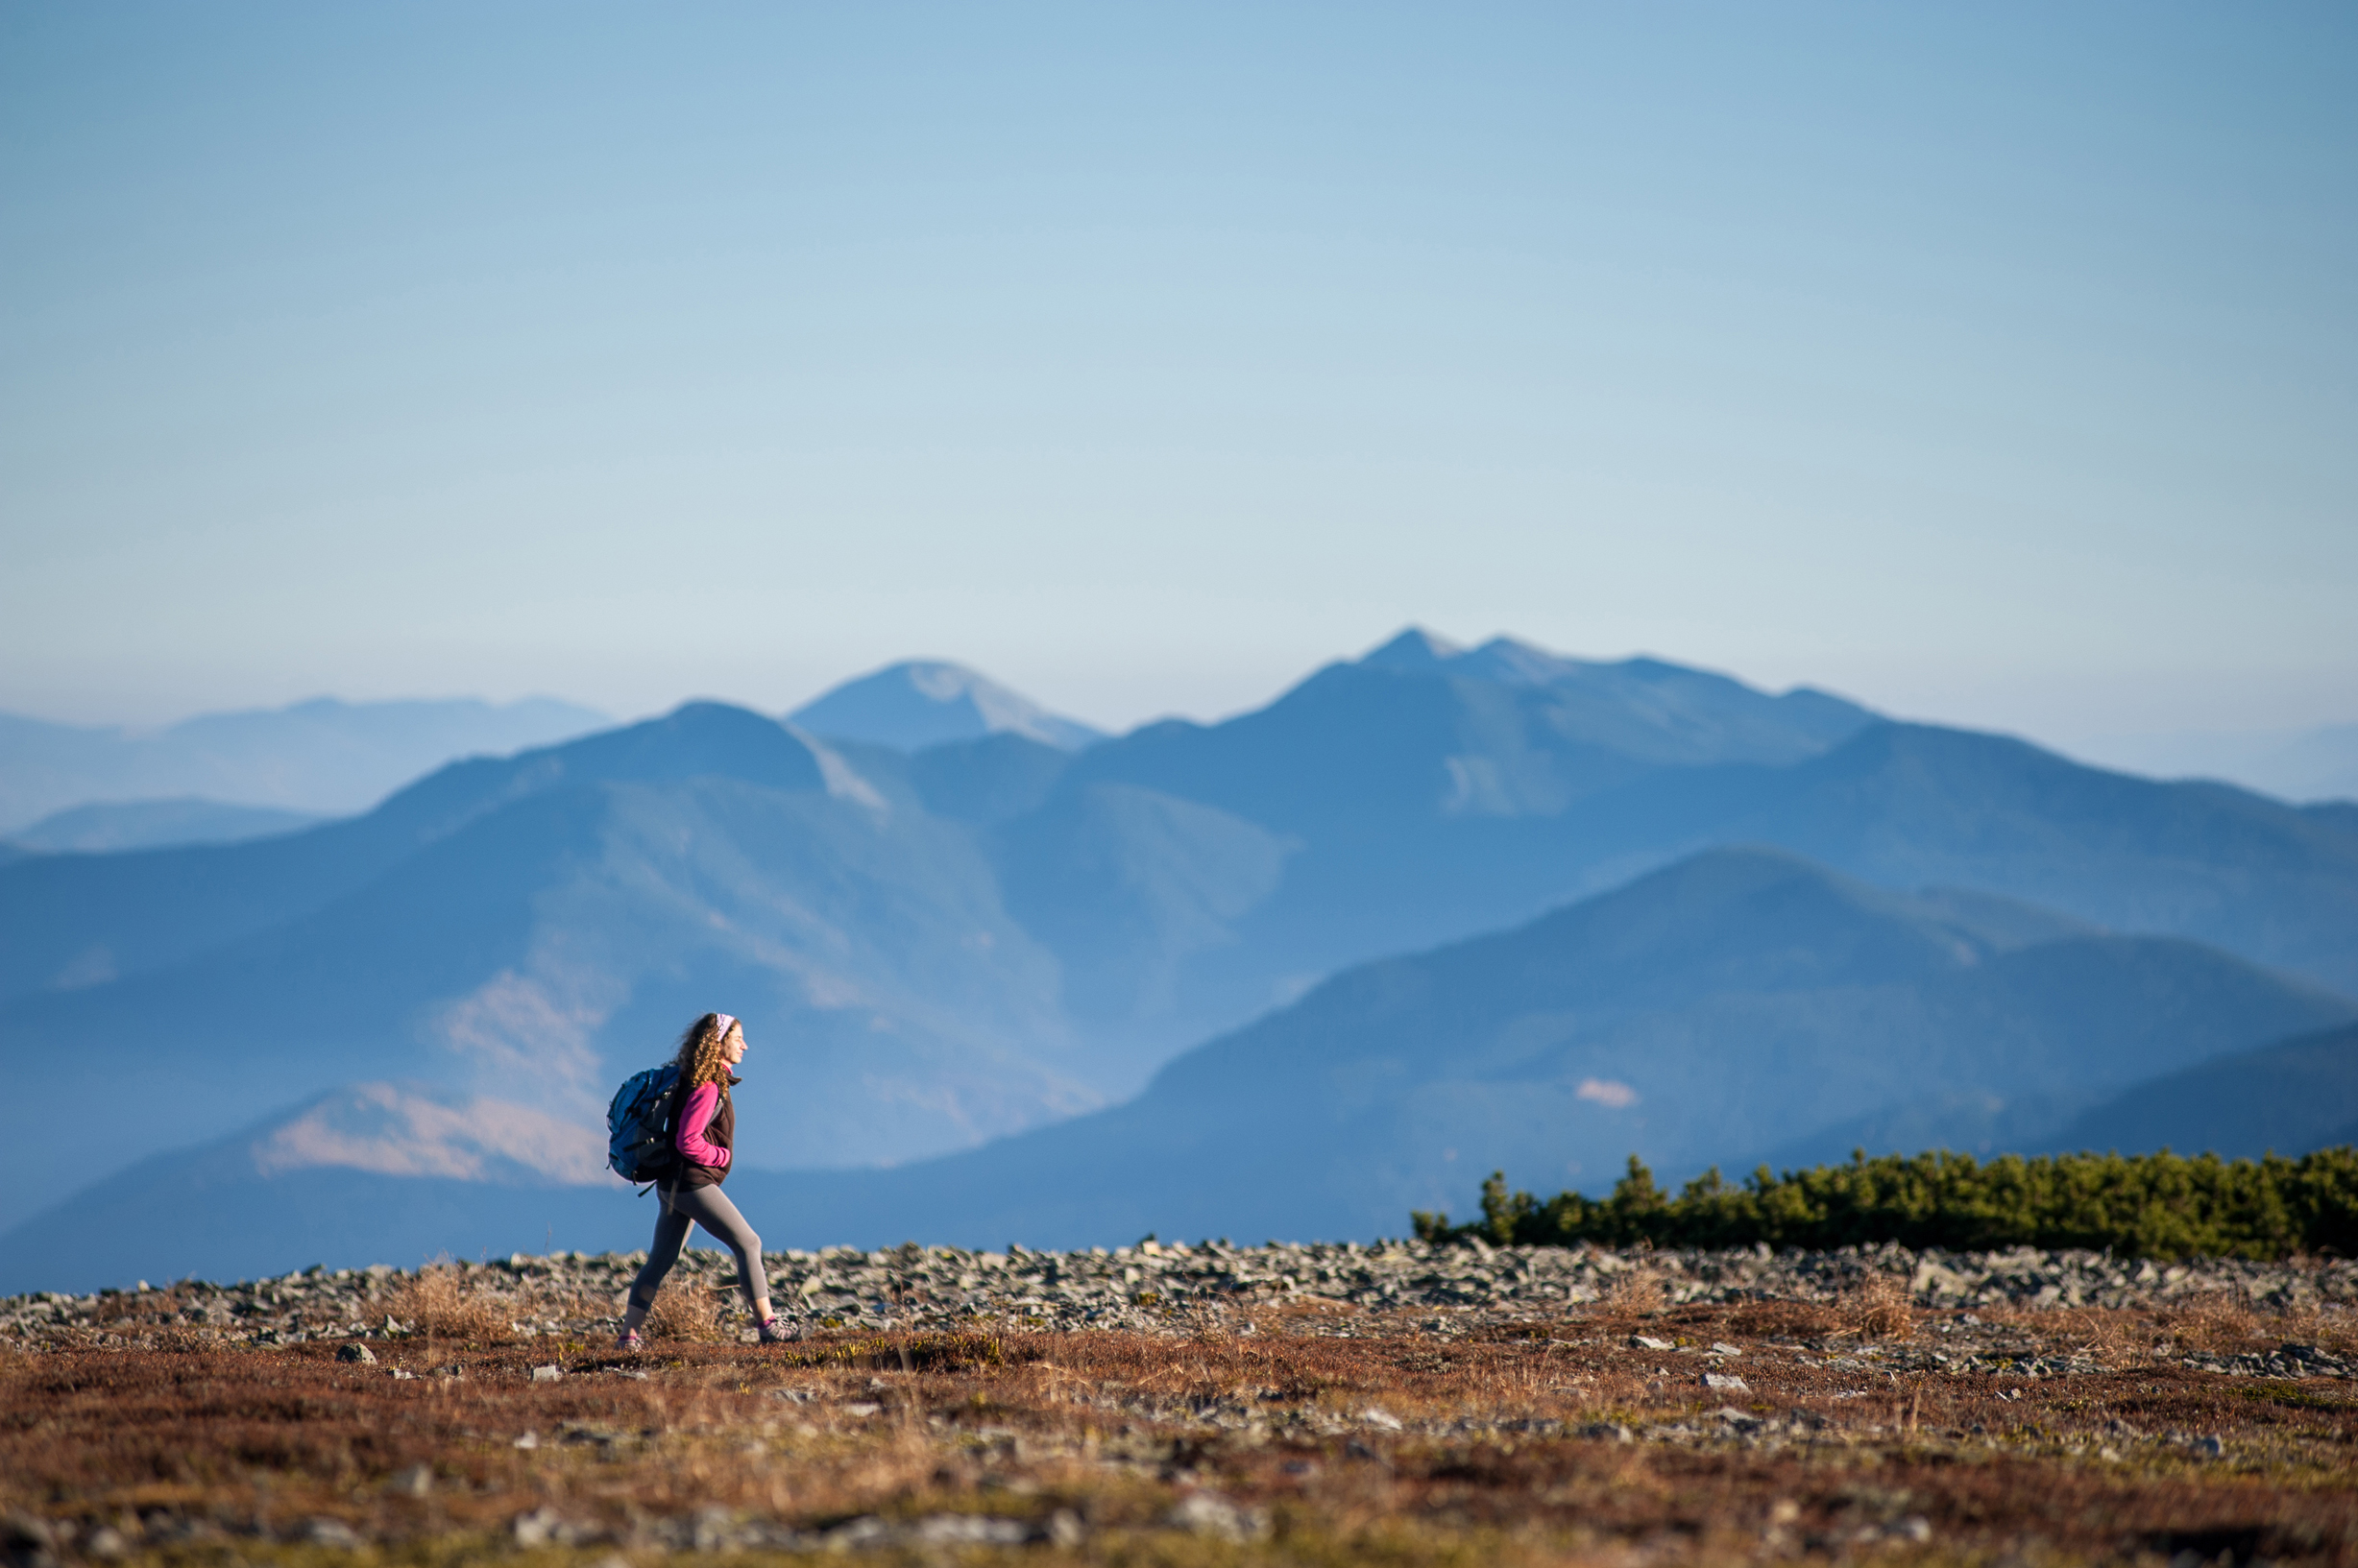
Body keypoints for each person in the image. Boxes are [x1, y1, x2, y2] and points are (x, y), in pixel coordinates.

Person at [617, 1012, 794, 1348]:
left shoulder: (693, 1079)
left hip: (672, 1184)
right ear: (719, 1042)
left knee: (660, 1260)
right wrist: (722, 1157)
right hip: (692, 1185)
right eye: (737, 1037)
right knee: (749, 1243)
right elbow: (687, 1140)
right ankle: (768, 1325)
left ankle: (629, 1336)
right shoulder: (709, 1085)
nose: (744, 1045)